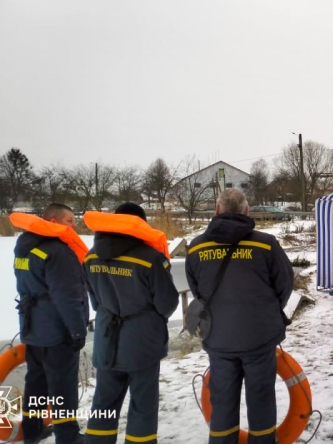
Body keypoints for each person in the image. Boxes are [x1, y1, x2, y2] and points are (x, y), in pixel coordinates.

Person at [186, 189, 293, 444]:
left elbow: (197, 290)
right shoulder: (266, 244)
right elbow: (285, 285)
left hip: (219, 339)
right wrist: (266, 311)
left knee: (221, 401)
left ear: (216, 210)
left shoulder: (196, 247)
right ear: (247, 211)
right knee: (261, 400)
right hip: (259, 337)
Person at [83, 203, 180, 444]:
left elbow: (95, 301)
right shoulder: (150, 259)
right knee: (143, 405)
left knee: (103, 403)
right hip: (142, 342)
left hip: (106, 339)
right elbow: (167, 303)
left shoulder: (90, 256)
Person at [12, 203, 88, 444]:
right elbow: (67, 296)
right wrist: (77, 331)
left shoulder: (25, 246)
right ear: (54, 223)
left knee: (35, 382)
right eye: (70, 221)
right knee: (63, 388)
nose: (75, 226)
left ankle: (32, 431)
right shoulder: (58, 251)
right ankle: (68, 437)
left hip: (32, 326)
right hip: (57, 330)